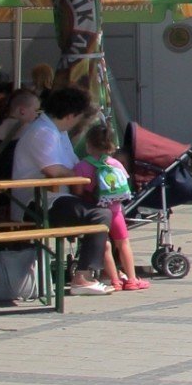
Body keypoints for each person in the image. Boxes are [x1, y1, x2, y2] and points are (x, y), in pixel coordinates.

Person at [15, 85, 113, 296]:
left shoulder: (56, 131)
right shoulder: (43, 132)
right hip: (37, 203)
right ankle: (83, 277)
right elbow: (53, 170)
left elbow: (72, 164)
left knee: (106, 208)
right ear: (71, 115)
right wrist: (86, 176)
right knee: (100, 214)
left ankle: (104, 271)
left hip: (54, 197)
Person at [77, 122, 149, 291]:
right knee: (123, 244)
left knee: (105, 245)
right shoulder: (115, 164)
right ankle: (132, 279)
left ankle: (114, 280)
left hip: (97, 211)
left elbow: (78, 191)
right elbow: (125, 185)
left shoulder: (82, 166)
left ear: (88, 144)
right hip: (116, 212)